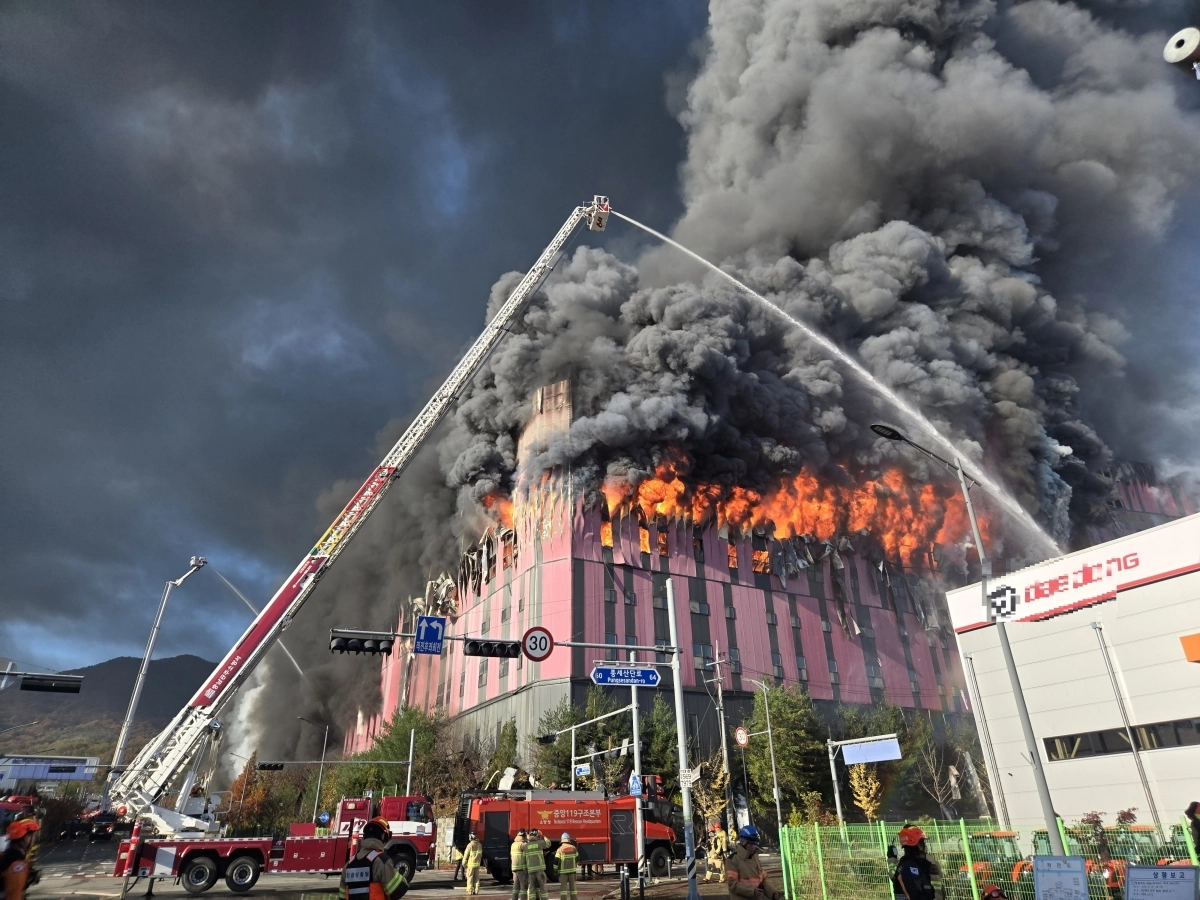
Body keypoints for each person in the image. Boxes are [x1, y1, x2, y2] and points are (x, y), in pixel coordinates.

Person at [341, 817, 407, 900]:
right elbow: (397, 891)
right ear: (383, 836)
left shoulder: (349, 864)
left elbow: (342, 896)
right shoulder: (381, 861)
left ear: (365, 836)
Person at [726, 825, 782, 900]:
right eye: (750, 843)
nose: (753, 846)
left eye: (755, 844)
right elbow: (732, 884)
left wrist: (773, 894)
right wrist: (752, 891)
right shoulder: (732, 859)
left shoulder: (755, 858)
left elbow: (763, 881)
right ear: (742, 841)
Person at [892, 826, 938, 900]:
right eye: (922, 842)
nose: (924, 846)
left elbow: (894, 876)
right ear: (918, 844)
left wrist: (892, 859)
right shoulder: (911, 866)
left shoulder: (904, 864)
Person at [1, 819, 38, 900]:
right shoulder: (17, 865)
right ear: (26, 837)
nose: (34, 840)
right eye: (33, 836)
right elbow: (13, 896)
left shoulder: (7, 856)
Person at [525, 828, 550, 900]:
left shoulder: (526, 846)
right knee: (542, 886)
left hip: (530, 870)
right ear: (537, 835)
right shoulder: (540, 843)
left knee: (532, 886)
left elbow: (524, 859)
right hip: (539, 869)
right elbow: (548, 843)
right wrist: (543, 836)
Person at [556, 832, 578, 900]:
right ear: (568, 839)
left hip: (563, 873)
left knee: (563, 889)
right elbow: (577, 859)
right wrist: (574, 866)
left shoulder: (560, 849)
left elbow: (556, 861)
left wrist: (555, 870)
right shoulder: (573, 848)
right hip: (572, 872)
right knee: (573, 889)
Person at [510, 829, 529, 900]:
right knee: (523, 886)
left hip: (514, 868)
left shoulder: (513, 844)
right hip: (521, 868)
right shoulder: (523, 844)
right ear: (524, 836)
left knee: (516, 886)